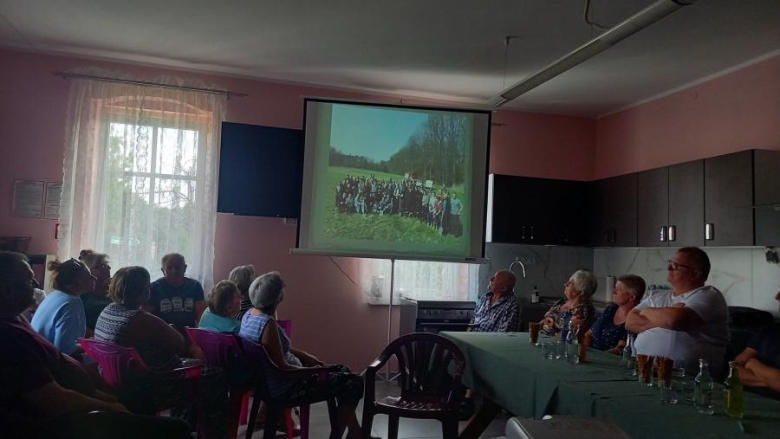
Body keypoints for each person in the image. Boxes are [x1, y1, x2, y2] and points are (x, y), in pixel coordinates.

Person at [0, 251, 192, 439]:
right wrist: (107, 405)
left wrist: (97, 391)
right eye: (28, 279)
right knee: (179, 429)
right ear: (7, 290)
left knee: (141, 402)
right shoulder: (10, 337)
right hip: (72, 420)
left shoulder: (17, 318)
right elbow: (57, 400)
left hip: (91, 394)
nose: (35, 284)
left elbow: (57, 356)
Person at [94, 266, 229, 438]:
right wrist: (169, 329)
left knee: (196, 369)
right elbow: (179, 344)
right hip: (154, 386)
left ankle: (184, 426)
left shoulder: (108, 311)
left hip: (120, 381)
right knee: (216, 375)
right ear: (144, 290)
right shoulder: (140, 319)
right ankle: (212, 434)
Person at [239, 271, 366, 439]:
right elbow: (282, 368)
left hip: (270, 383)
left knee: (344, 370)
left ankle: (355, 432)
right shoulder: (267, 323)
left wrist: (306, 356)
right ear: (278, 297)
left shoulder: (250, 316)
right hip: (285, 387)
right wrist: (313, 372)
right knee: (354, 382)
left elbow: (276, 349)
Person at [626, 247, 729, 378]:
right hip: (644, 371)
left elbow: (675, 320)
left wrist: (646, 313)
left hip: (688, 379)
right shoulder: (657, 296)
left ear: (695, 274)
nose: (669, 268)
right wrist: (663, 315)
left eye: (675, 265)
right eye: (670, 263)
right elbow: (630, 322)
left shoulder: (709, 295)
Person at [31, 258, 96, 357]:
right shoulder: (71, 304)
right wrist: (90, 346)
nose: (94, 278)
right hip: (47, 362)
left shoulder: (54, 296)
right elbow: (65, 349)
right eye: (88, 278)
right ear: (72, 285)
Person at [733, 291, 780, 400]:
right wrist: (772, 380)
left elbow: (746, 364)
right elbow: (734, 370)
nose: (777, 296)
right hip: (747, 401)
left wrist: (754, 365)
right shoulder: (769, 331)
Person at [144, 253, 206, 332]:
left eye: (177, 267)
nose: (174, 271)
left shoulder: (195, 286)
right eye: (169, 268)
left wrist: (199, 334)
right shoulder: (154, 287)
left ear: (184, 268)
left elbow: (201, 313)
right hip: (161, 334)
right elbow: (146, 315)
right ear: (163, 270)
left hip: (188, 334)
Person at [586, 274, 645, 354]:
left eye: (618, 290)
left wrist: (597, 357)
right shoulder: (611, 310)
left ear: (632, 297)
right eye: (614, 288)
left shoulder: (636, 319)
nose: (613, 291)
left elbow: (619, 349)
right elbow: (588, 334)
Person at [541, 270, 598, 336]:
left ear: (579, 290)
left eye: (569, 283)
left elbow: (570, 336)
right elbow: (545, 320)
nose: (565, 284)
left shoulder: (583, 312)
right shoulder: (562, 301)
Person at [78, 249, 112, 334]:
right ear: (90, 271)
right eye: (104, 265)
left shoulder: (111, 292)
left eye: (108, 265)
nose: (109, 268)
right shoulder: (84, 298)